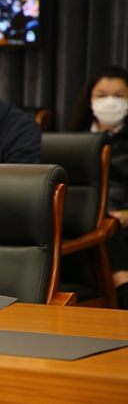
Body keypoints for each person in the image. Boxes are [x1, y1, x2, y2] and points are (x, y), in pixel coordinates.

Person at [69, 65, 128, 309]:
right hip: (86, 219)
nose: (110, 102)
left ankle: (123, 289)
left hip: (122, 219)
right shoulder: (74, 140)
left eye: (119, 95)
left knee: (110, 225)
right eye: (102, 95)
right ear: (90, 100)